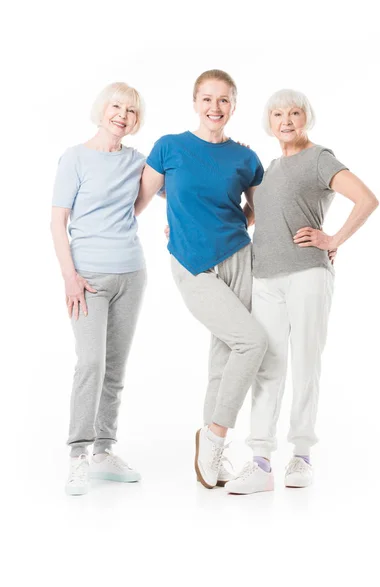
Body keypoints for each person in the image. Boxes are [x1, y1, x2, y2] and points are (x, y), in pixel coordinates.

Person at [225, 89, 379, 494]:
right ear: (269, 122)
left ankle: (302, 455)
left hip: (308, 274)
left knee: (306, 363)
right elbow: (252, 216)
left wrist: (335, 239)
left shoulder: (319, 158)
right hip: (265, 278)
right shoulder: (270, 168)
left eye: (294, 113)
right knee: (268, 366)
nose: (286, 120)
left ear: (306, 118)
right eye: (278, 114)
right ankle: (260, 460)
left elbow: (366, 199)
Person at [135, 69, 268, 489]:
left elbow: (258, 211)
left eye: (224, 100)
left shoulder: (246, 158)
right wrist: (178, 217)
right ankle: (215, 437)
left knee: (227, 353)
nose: (215, 107)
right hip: (192, 264)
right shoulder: (169, 147)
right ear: (195, 103)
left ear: (233, 106)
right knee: (253, 342)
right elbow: (137, 202)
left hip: (238, 257)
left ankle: (210, 451)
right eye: (207, 99)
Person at [51, 82, 147, 495]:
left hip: (131, 273)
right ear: (101, 109)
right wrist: (69, 276)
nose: (122, 115)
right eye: (116, 106)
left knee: (115, 368)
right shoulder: (74, 158)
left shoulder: (138, 161)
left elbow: (137, 205)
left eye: (131, 110)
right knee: (90, 363)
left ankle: (105, 451)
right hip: (87, 278)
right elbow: (58, 221)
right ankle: (78, 455)